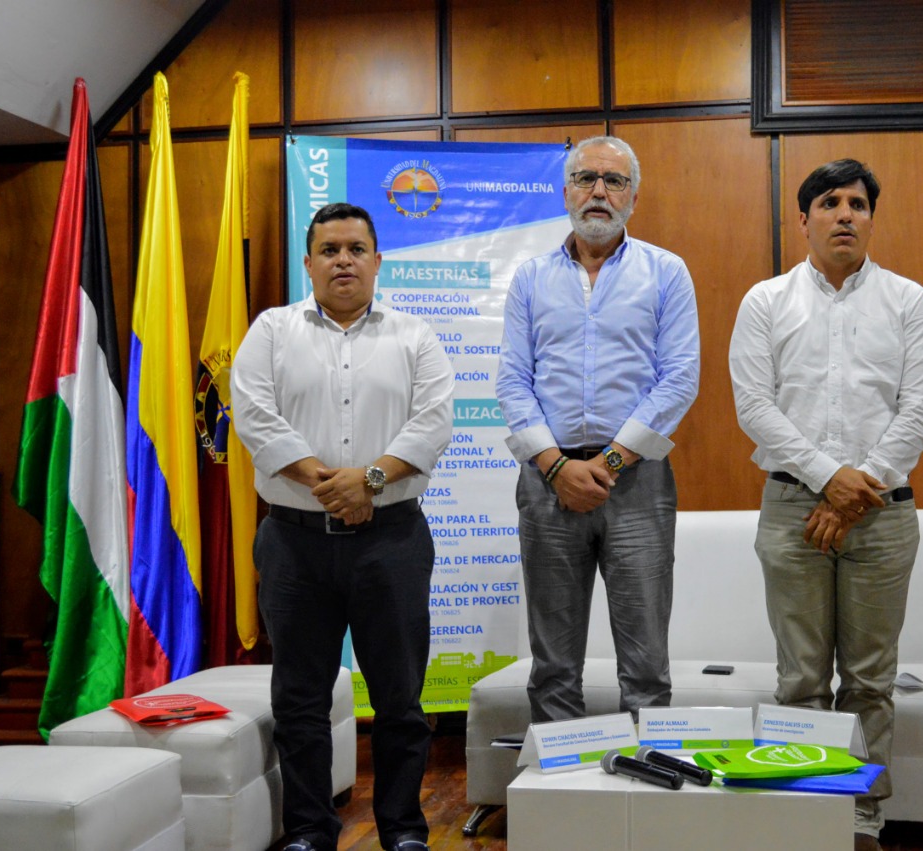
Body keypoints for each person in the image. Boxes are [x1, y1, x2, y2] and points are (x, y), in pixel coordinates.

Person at [728, 159, 923, 851]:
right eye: (830, 202)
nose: (845, 213)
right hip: (794, 511)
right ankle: (806, 807)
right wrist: (829, 478)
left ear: (872, 218)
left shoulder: (908, 300)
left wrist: (857, 490)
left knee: (871, 679)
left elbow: (922, 406)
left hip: (883, 513)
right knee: (799, 678)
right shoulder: (765, 300)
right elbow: (754, 406)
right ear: (804, 219)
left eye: (857, 202)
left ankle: (858, 813)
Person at [231, 202, 454, 851]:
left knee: (400, 701)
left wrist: (372, 481)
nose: (343, 260)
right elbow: (254, 417)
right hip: (294, 543)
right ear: (309, 263)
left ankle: (404, 831)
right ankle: (307, 831)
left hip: (392, 541)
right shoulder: (271, 331)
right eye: (329, 249)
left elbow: (434, 422)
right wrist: (334, 484)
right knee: (300, 699)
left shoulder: (415, 335)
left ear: (378, 260)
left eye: (356, 248)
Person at [496, 135, 700, 723]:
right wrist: (557, 467)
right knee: (553, 662)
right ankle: (563, 798)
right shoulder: (531, 278)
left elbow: (679, 378)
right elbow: (512, 381)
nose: (599, 193)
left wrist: (607, 464)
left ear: (634, 195)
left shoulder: (666, 272)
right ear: (565, 193)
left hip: (636, 485)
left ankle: (648, 785)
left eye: (613, 181)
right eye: (586, 179)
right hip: (547, 484)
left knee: (645, 662)